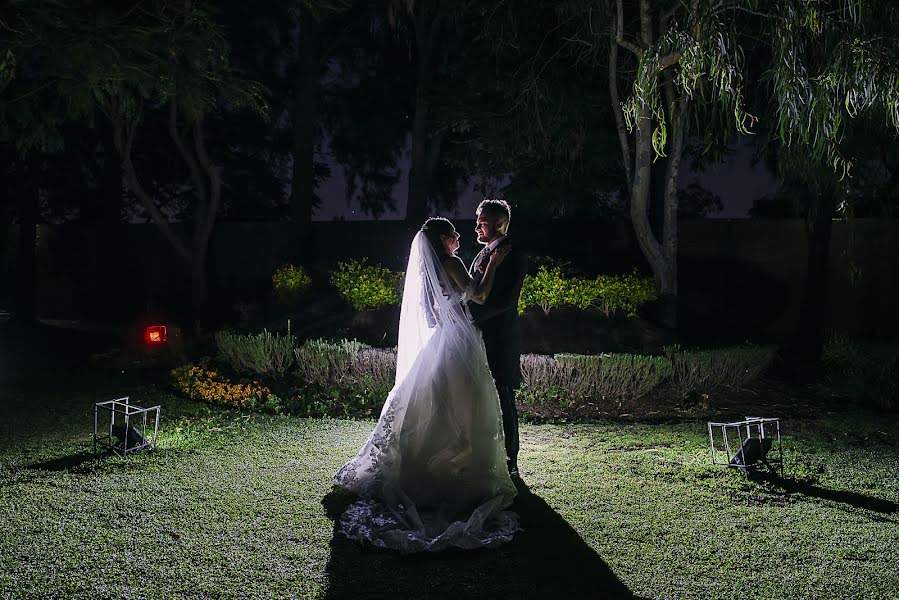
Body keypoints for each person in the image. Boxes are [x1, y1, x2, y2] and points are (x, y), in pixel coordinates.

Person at [332, 217, 519, 553]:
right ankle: (458, 473)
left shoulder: (435, 268)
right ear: (443, 240)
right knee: (464, 404)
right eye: (453, 233)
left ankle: (431, 469)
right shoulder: (452, 262)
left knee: (438, 400)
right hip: (460, 341)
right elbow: (479, 296)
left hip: (443, 340)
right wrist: (493, 263)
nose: (459, 236)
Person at [467, 199, 528, 476]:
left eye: (483, 221)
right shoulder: (482, 255)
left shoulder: (513, 254)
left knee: (503, 395)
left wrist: (469, 318)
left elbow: (505, 300)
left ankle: (510, 460)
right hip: (477, 337)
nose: (477, 226)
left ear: (500, 223)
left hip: (500, 337)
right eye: (478, 220)